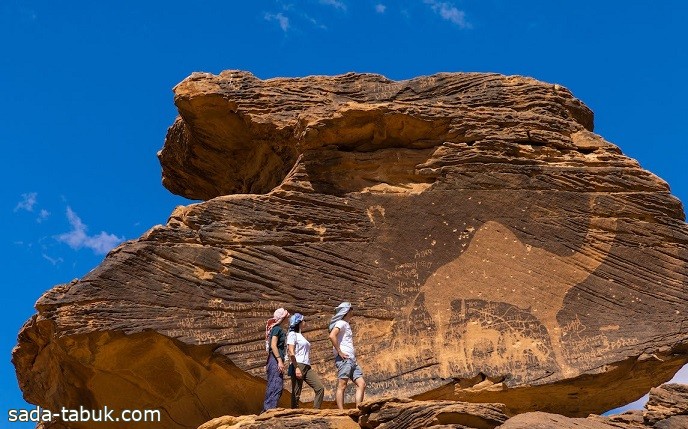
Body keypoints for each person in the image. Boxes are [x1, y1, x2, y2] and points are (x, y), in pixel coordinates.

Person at [328, 302, 366, 409]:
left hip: (351, 360)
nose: (352, 311)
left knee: (361, 384)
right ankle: (341, 412)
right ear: (347, 311)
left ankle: (359, 409)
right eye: (351, 309)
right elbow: (332, 336)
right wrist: (339, 351)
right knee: (342, 385)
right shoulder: (341, 323)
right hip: (344, 359)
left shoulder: (345, 324)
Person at [287, 313, 325, 409]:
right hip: (298, 364)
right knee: (296, 393)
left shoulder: (300, 335)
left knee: (319, 388)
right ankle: (293, 414)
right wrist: (296, 368)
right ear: (299, 322)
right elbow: (291, 352)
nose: (305, 322)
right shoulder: (292, 334)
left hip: (307, 366)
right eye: (303, 320)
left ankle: (316, 412)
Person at [262, 307, 290, 413]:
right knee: (275, 385)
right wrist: (279, 360)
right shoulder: (277, 329)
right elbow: (273, 345)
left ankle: (268, 410)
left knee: (276, 385)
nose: (288, 318)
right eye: (287, 316)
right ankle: (269, 411)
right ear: (283, 318)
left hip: (274, 360)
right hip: (274, 360)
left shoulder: (277, 329)